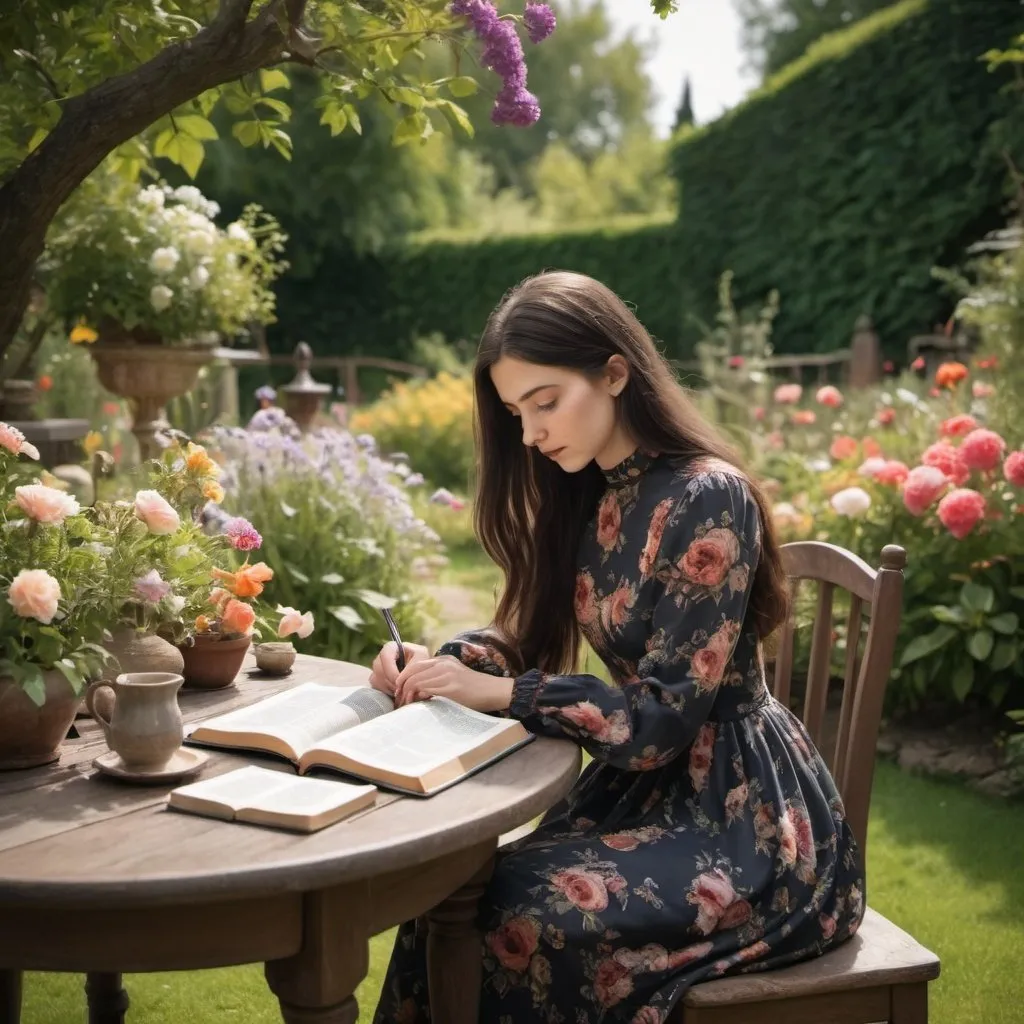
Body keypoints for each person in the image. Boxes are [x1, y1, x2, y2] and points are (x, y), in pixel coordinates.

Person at [369, 271, 863, 1023]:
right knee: (444, 899)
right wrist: (444, 669)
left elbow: (662, 721)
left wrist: (508, 695)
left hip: (747, 825)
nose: (530, 433)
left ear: (614, 372)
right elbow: (527, 637)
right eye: (515, 412)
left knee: (517, 922)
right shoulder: (585, 490)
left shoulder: (708, 497)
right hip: (643, 797)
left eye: (545, 403)